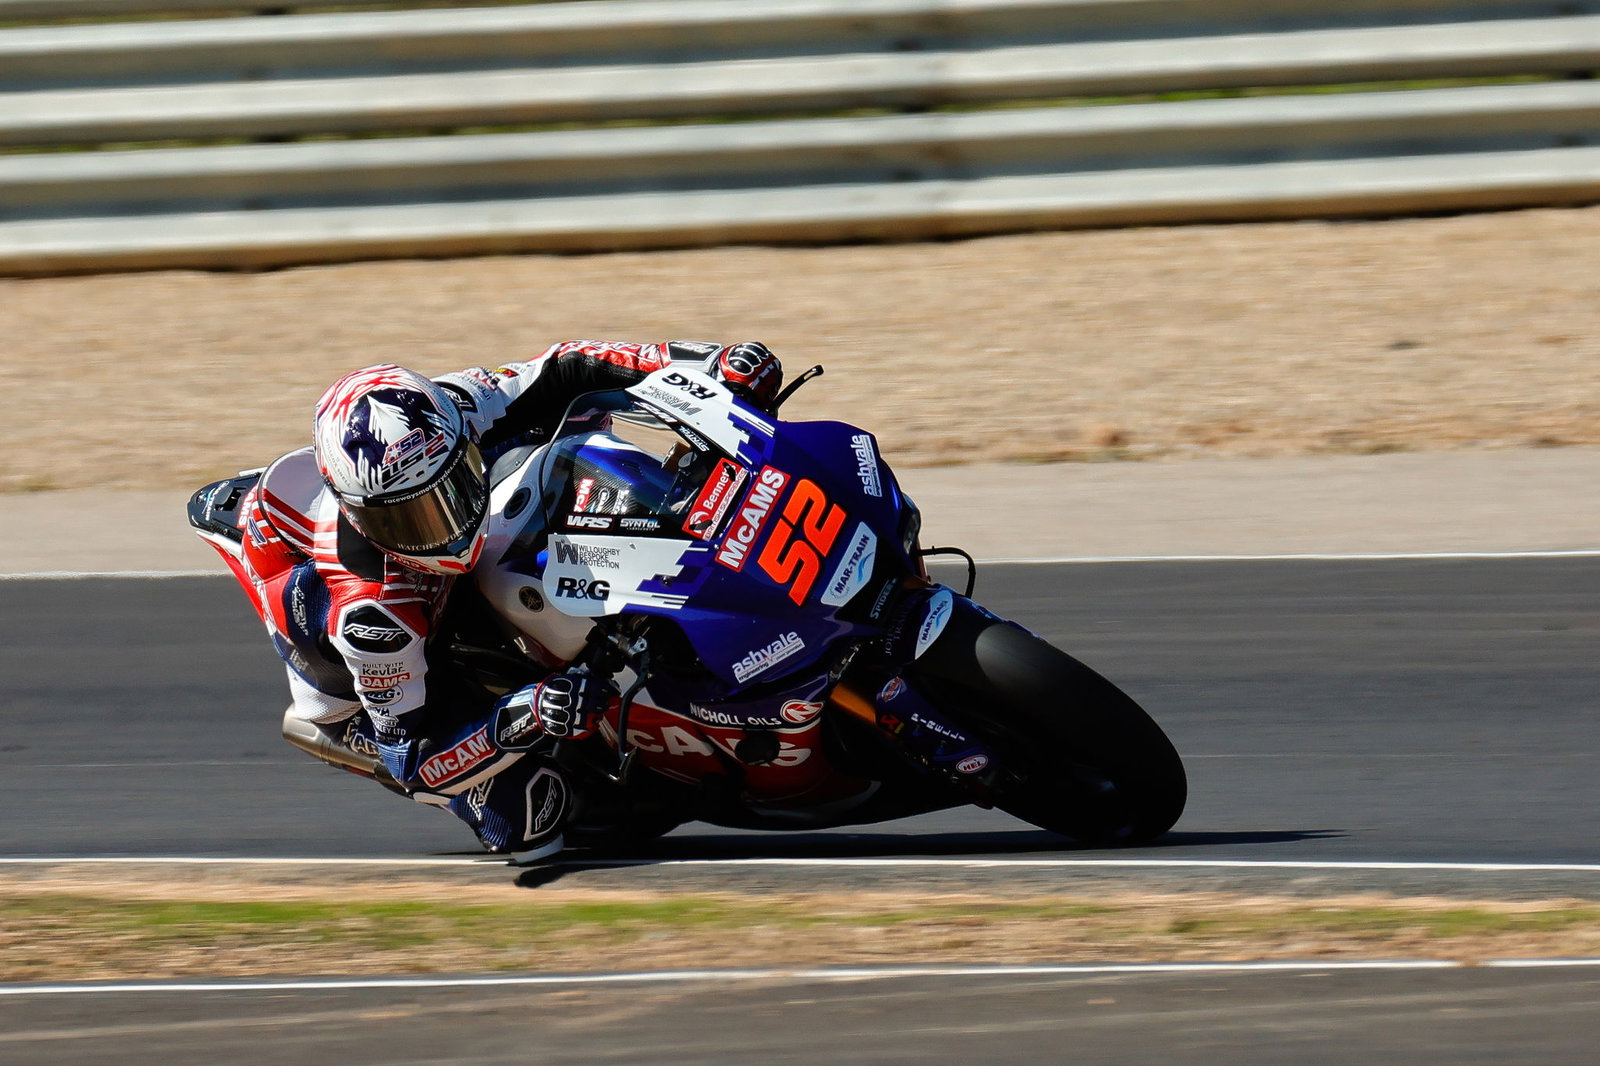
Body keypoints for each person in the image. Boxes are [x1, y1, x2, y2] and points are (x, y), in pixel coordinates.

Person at [204, 340, 782, 863]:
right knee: (532, 821)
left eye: (448, 494)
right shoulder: (370, 616)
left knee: (559, 427)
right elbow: (416, 761)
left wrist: (702, 365)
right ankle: (356, 721)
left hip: (428, 525)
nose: (442, 531)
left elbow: (567, 365)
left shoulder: (451, 408)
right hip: (371, 667)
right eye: (409, 518)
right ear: (361, 515)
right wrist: (522, 716)